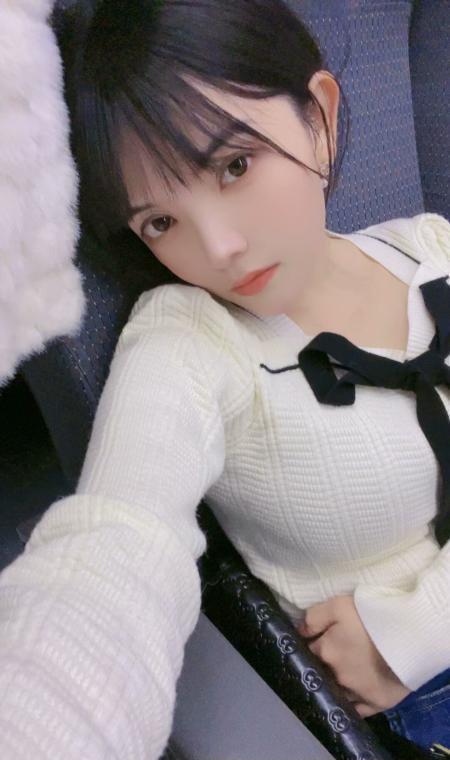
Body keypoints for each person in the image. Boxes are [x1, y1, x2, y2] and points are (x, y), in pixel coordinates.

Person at [0, 0, 449, 757]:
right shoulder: (188, 339)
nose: (218, 249)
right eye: (159, 222)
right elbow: (119, 537)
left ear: (319, 115)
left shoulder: (431, 245)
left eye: (234, 165)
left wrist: (419, 626)